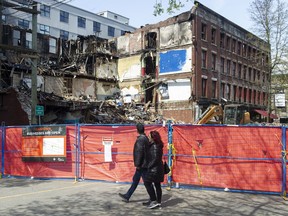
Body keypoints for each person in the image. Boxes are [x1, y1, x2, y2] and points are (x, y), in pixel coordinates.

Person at [118, 123, 149, 202]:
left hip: (141, 165)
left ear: (137, 130)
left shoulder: (140, 139)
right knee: (136, 180)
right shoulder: (146, 138)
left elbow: (139, 152)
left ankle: (153, 198)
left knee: (147, 182)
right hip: (144, 164)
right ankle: (127, 195)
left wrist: (138, 164)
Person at [143, 130, 164, 209]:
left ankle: (154, 200)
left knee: (147, 183)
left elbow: (155, 159)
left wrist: (148, 166)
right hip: (157, 169)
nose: (148, 137)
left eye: (149, 136)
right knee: (157, 185)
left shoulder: (155, 146)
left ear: (153, 138)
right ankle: (157, 202)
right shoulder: (156, 145)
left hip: (154, 169)